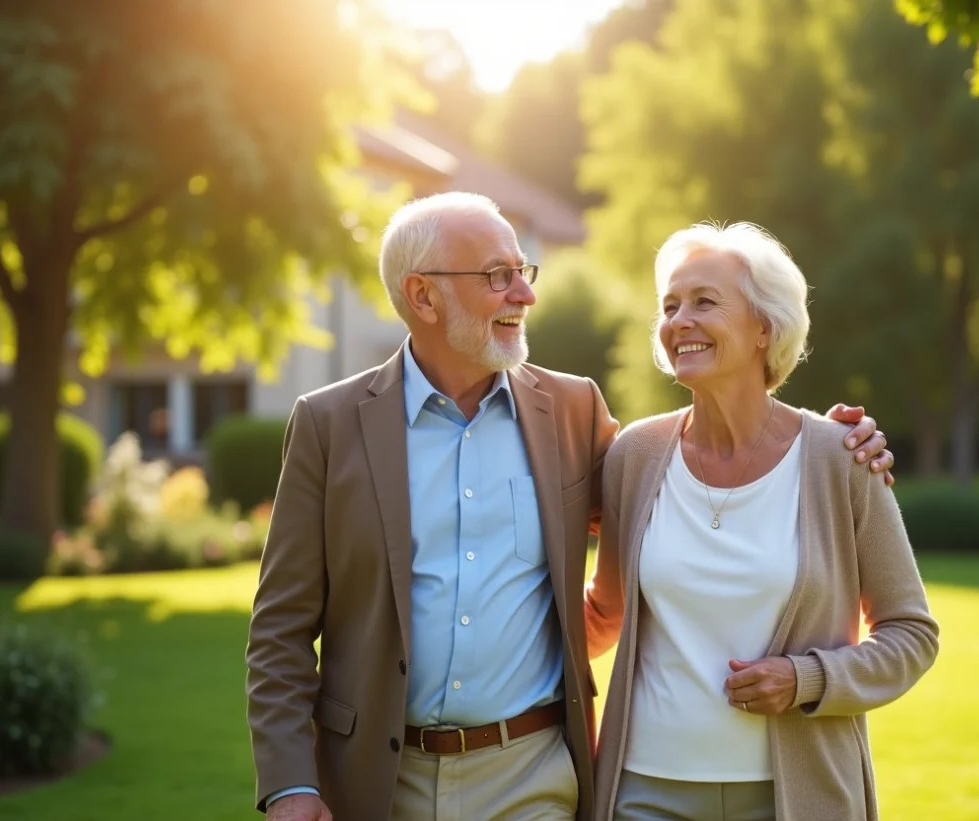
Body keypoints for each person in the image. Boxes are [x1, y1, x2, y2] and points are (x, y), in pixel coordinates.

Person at [246, 193, 894, 821]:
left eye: (522, 272)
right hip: (379, 781)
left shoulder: (573, 410)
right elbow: (280, 629)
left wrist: (818, 445)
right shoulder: (328, 424)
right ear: (424, 295)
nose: (524, 295)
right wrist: (291, 784)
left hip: (533, 776)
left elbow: (689, 484)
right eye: (497, 276)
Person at [585, 222, 939, 821]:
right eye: (670, 306)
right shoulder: (635, 456)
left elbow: (912, 635)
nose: (678, 321)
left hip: (795, 795)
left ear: (764, 328)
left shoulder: (842, 458)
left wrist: (806, 679)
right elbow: (604, 614)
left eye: (704, 302)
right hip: (643, 789)